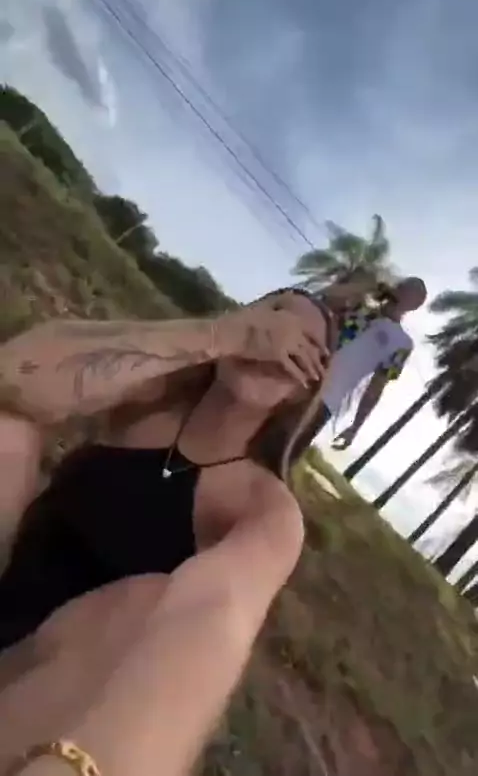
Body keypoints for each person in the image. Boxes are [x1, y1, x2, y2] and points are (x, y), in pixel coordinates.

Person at [0, 286, 342, 776]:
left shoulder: (261, 508)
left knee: (144, 602)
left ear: (305, 390)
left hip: (45, 685)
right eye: (274, 314)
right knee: (9, 429)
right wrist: (219, 335)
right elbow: (15, 374)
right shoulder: (149, 404)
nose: (283, 337)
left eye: (307, 345)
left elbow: (218, 616)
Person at [316, 276, 427, 449]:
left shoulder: (403, 344)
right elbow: (325, 296)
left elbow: (376, 387)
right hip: (301, 374)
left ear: (415, 306)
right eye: (402, 287)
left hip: (326, 401)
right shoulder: (358, 308)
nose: (402, 293)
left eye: (411, 295)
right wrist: (367, 285)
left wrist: (355, 427)